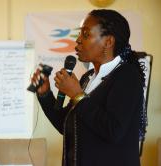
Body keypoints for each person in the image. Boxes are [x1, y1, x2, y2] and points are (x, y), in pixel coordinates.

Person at [31, 9, 146, 166]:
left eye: (85, 34)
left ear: (108, 42)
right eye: (80, 34)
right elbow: (65, 125)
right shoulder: (87, 78)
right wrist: (45, 94)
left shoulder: (127, 76)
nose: (78, 40)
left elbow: (113, 131)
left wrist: (77, 94)